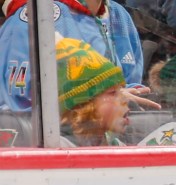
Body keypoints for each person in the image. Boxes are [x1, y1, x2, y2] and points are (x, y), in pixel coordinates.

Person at [0, 0, 153, 112]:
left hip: (107, 136)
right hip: (57, 142)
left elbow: (128, 82)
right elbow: (19, 99)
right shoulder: (38, 14)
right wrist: (103, 100)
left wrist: (133, 95)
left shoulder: (119, 14)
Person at [56, 37, 130, 146]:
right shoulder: (60, 149)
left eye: (121, 91)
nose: (125, 99)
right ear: (82, 104)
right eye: (113, 93)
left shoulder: (115, 146)